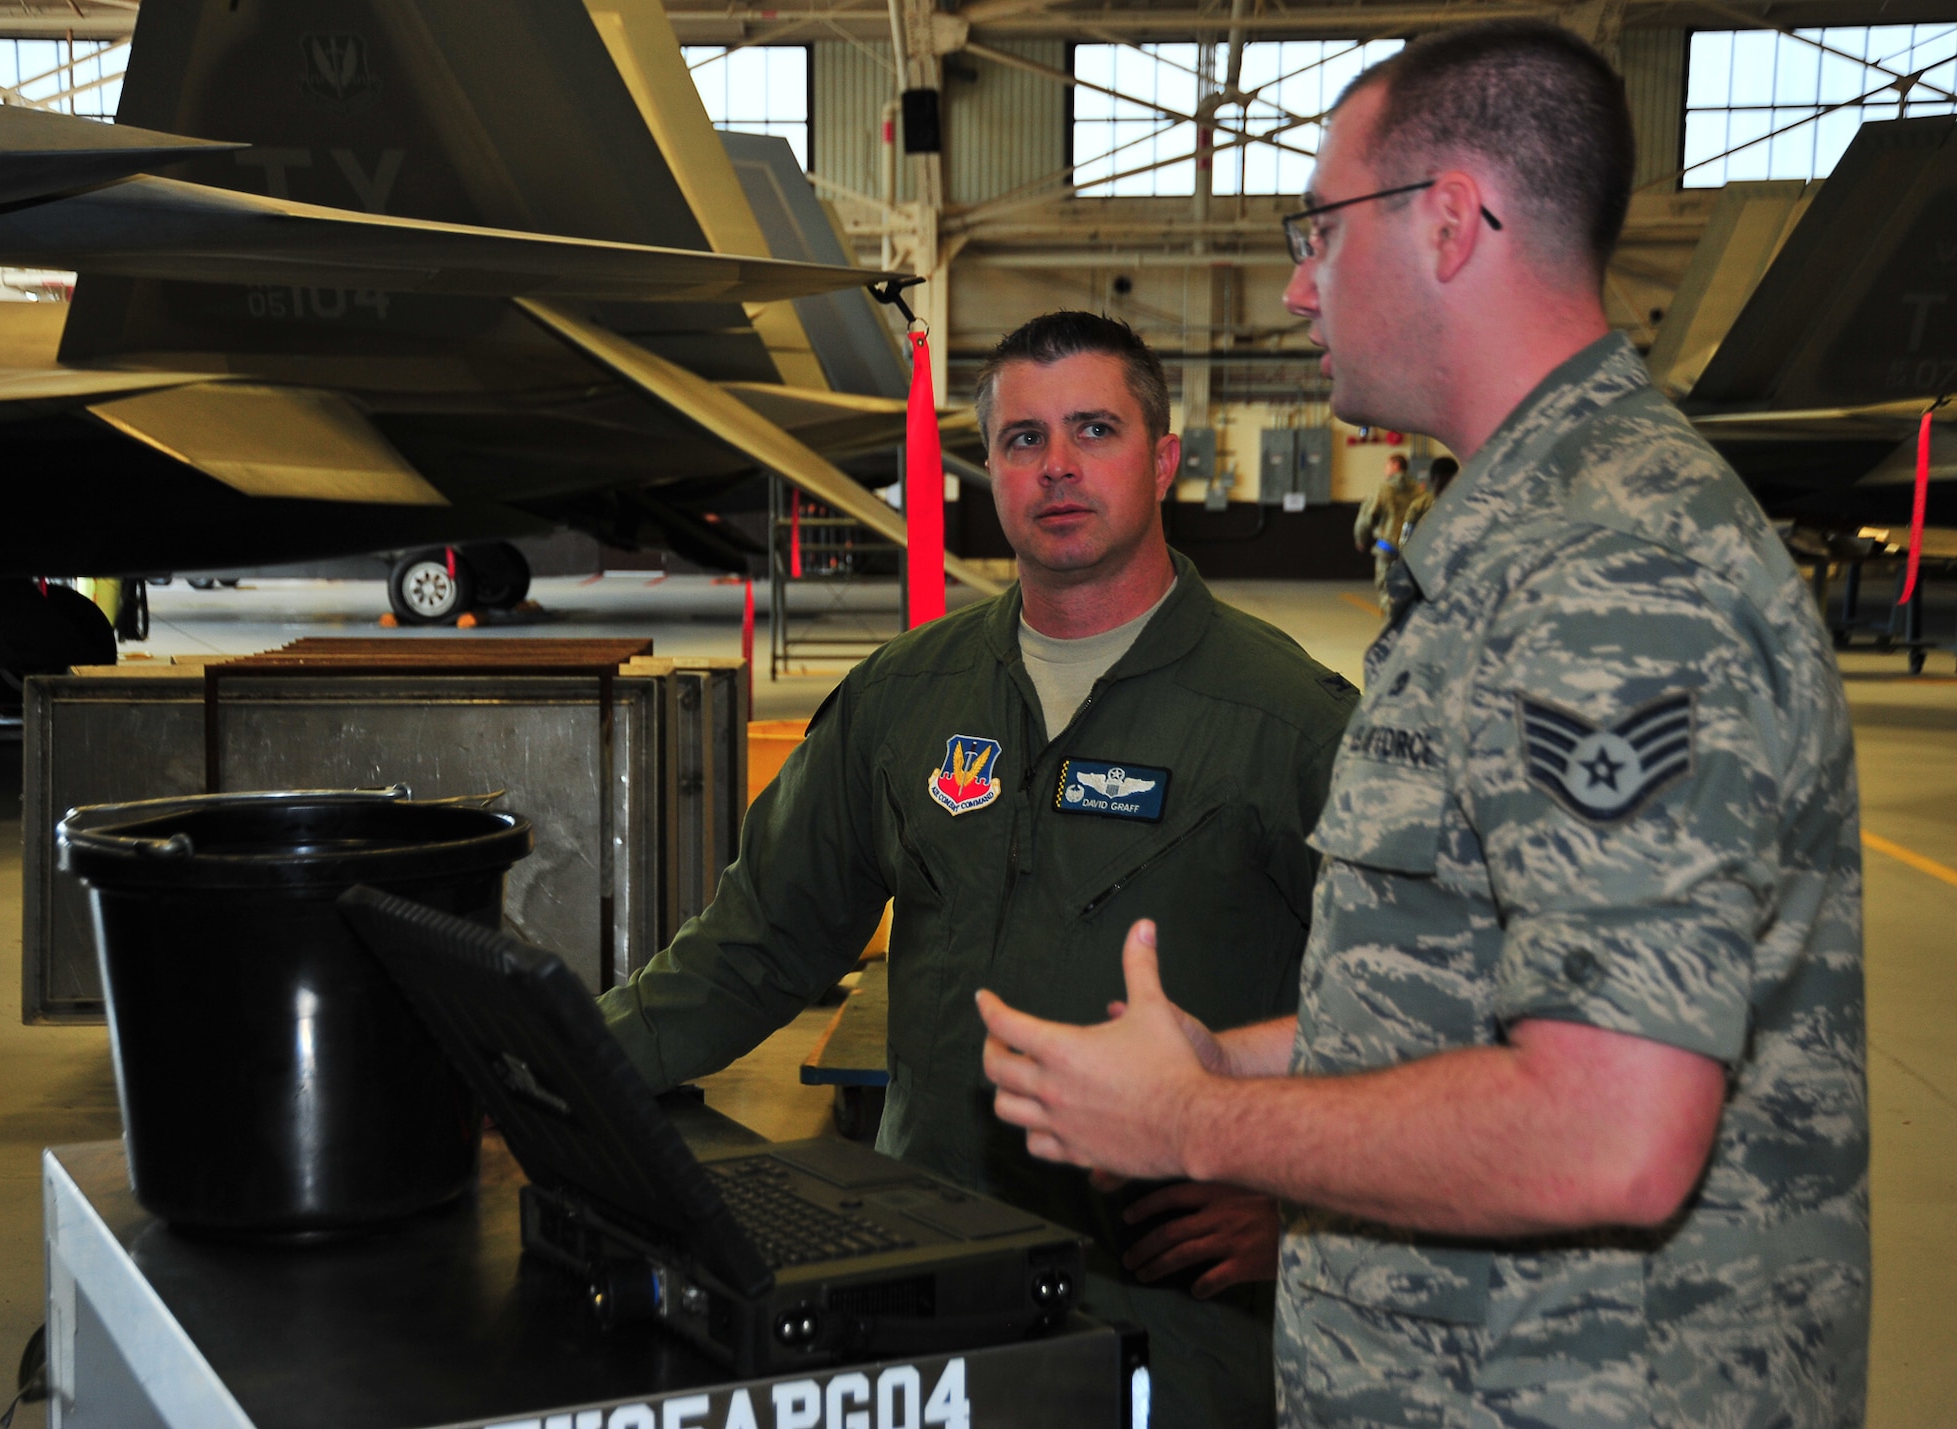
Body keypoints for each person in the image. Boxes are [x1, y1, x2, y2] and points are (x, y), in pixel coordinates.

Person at [977, 24, 1866, 1429]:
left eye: (1319, 232)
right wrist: (1228, 1060)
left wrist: (1195, 1123)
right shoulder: (1515, 542)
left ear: (1448, 223)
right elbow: (1468, 989)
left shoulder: (1609, 569)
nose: (1296, 285)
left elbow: (1612, 1129)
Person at [599, 310, 1358, 1427]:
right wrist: (569, 1063)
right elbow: (758, 941)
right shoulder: (906, 696)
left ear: (1163, 461)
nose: (1055, 466)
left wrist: (1309, 1209)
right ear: (989, 472)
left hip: (1170, 1324)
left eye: (1093, 429)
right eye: (1021, 438)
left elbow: (1416, 1012)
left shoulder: (1287, 723)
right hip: (921, 1285)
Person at [1352, 452, 1421, 609]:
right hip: (1411, 551)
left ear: (1396, 466)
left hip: (1387, 549)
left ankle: (1390, 618)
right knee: (1410, 593)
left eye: (1387, 465)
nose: (1385, 469)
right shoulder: (1419, 492)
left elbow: (1366, 518)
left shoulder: (1383, 490)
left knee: (1386, 591)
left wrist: (1360, 539)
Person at [1399, 454, 1459, 544]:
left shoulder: (1462, 505)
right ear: (1432, 480)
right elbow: (1405, 541)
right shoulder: (1419, 507)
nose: (1445, 492)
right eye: (1441, 487)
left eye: (1450, 486)